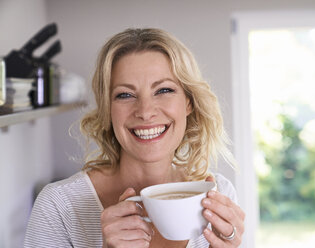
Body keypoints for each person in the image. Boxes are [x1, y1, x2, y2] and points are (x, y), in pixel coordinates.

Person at [24, 28, 245, 248]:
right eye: (125, 95)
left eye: (164, 90)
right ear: (108, 111)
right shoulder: (58, 206)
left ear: (189, 102)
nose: (146, 111)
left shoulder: (220, 194)